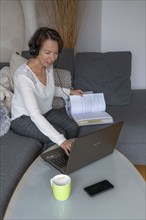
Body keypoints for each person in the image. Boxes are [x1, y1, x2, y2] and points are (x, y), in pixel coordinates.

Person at [11, 27, 83, 156]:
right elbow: (34, 114)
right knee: (60, 135)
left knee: (73, 127)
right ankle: (51, 168)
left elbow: (47, 89)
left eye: (56, 53)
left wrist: (69, 92)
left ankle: (70, 160)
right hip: (24, 118)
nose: (53, 58)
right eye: (48, 52)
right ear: (36, 49)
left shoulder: (48, 65)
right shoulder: (24, 76)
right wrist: (61, 141)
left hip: (45, 111)